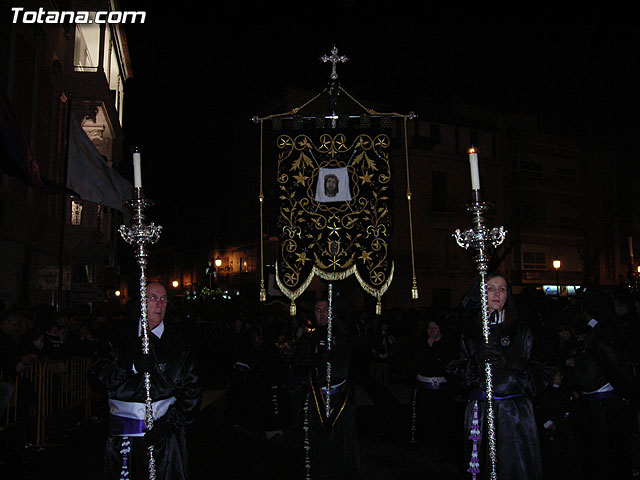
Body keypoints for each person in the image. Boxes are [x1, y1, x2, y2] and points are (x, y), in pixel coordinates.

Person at [89, 282, 201, 480]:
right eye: (153, 298)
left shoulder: (179, 342)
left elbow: (192, 390)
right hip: (124, 438)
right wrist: (131, 367)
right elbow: (98, 376)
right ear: (141, 302)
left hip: (166, 440)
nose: (160, 304)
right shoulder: (118, 337)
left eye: (164, 299)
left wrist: (168, 424)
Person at [448, 273, 547, 480]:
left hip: (515, 416)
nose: (496, 293)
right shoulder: (469, 332)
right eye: (490, 288)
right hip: (481, 413)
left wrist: (513, 364)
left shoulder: (523, 332)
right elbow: (455, 375)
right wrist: (475, 362)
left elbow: (541, 377)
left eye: (502, 289)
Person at [569, 287, 637, 480]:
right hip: (599, 404)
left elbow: (614, 367)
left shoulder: (602, 333)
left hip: (604, 407)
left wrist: (627, 394)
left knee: (605, 456)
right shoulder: (599, 331)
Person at [292, 292, 360, 480]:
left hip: (339, 399)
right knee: (316, 442)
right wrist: (316, 360)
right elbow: (298, 363)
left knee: (341, 443)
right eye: (318, 310)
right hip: (316, 398)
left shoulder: (342, 333)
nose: (321, 313)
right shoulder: (309, 337)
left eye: (325, 310)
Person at [410, 318, 458, 466]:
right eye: (429, 328)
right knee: (424, 419)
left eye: (434, 328)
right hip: (424, 390)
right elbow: (416, 363)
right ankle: (423, 447)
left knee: (440, 420)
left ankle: (441, 450)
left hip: (440, 392)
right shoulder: (420, 344)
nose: (431, 331)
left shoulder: (446, 346)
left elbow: (446, 365)